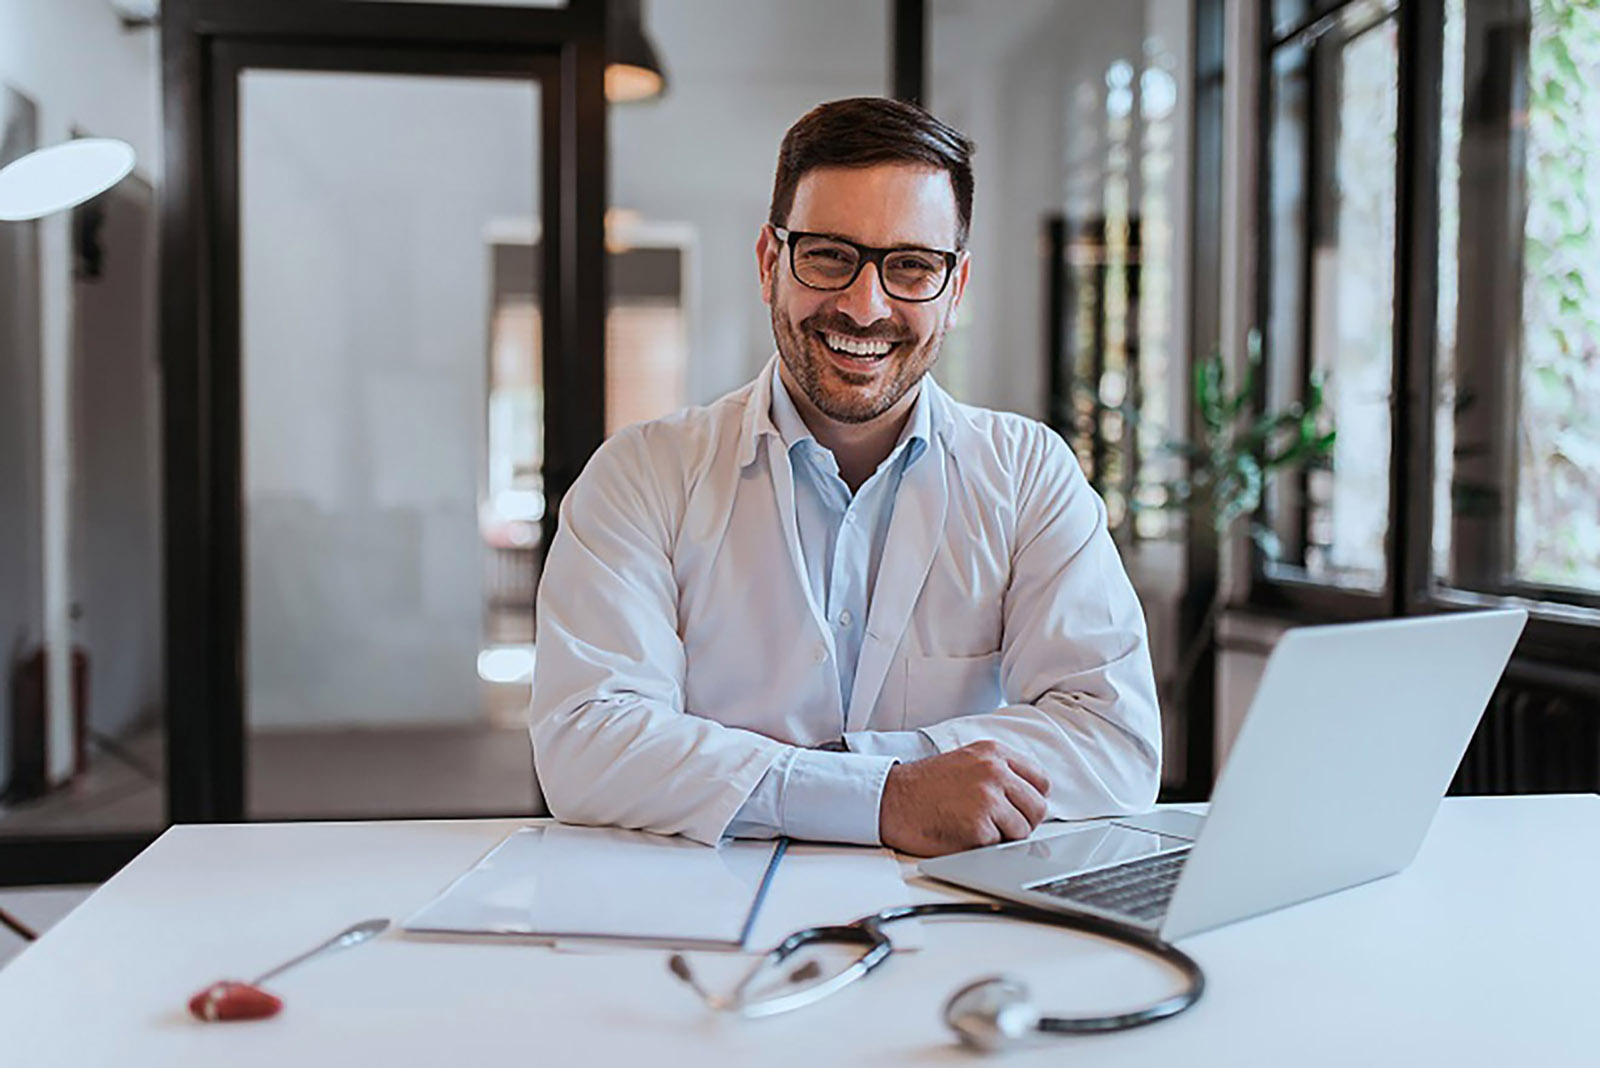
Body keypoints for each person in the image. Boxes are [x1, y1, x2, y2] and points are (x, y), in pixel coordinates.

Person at [530, 97, 1160, 857]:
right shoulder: (641, 475)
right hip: (704, 918)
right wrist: (888, 797)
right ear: (771, 263)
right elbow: (586, 744)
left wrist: (833, 774)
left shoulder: (1027, 475)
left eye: (912, 266)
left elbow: (1112, 740)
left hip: (951, 920)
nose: (865, 307)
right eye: (829, 255)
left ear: (955, 290)